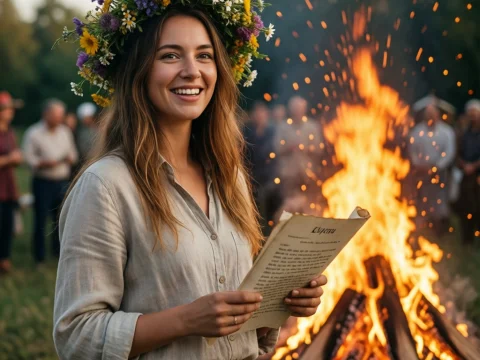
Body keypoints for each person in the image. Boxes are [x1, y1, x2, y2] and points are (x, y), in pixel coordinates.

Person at [54, 2, 326, 360]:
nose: (192, 71)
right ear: (139, 70)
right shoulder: (106, 186)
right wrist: (186, 320)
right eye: (170, 55)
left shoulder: (230, 178)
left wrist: (279, 300)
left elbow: (238, 323)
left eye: (204, 55)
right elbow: (76, 335)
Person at [23, 99, 78, 264]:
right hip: (43, 182)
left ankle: (58, 253)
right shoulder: (33, 133)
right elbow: (28, 158)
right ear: (46, 114)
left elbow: (73, 154)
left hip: (61, 181)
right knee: (40, 219)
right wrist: (44, 163)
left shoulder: (65, 132)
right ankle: (39, 257)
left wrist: (68, 159)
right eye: (56, 115)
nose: (59, 119)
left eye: (61, 115)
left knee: (60, 219)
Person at [407, 95, 456, 235]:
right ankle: (421, 230)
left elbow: (449, 152)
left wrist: (437, 167)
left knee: (439, 200)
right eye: (428, 114)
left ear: (438, 115)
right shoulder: (417, 131)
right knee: (421, 199)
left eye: (432, 113)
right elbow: (412, 150)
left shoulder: (447, 132)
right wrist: (419, 165)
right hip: (421, 172)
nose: (430, 116)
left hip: (439, 173)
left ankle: (439, 230)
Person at [274, 96, 324, 200]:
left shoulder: (312, 126)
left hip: (308, 172)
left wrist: (306, 148)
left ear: (304, 109)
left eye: (299, 108)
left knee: (309, 203)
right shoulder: (283, 127)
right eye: (295, 108)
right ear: (290, 110)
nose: (297, 111)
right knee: (289, 205)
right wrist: (289, 148)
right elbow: (277, 148)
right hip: (288, 174)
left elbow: (319, 149)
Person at [243, 101, 277, 229]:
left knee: (270, 209)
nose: (259, 115)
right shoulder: (247, 131)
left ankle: (269, 230)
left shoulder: (272, 132)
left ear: (266, 115)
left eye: (262, 113)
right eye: (257, 113)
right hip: (252, 175)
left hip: (269, 176)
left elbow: (275, 154)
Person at [0, 91, 23, 274]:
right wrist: (9, 159)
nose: (11, 112)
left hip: (7, 187)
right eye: (7, 109)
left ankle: (5, 260)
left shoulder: (10, 132)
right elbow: (9, 158)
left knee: (7, 225)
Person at [456, 99, 480, 244]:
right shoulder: (464, 133)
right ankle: (467, 238)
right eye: (470, 114)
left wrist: (474, 166)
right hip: (466, 175)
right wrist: (463, 164)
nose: (473, 117)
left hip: (478, 175)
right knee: (465, 206)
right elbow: (458, 151)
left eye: (475, 114)